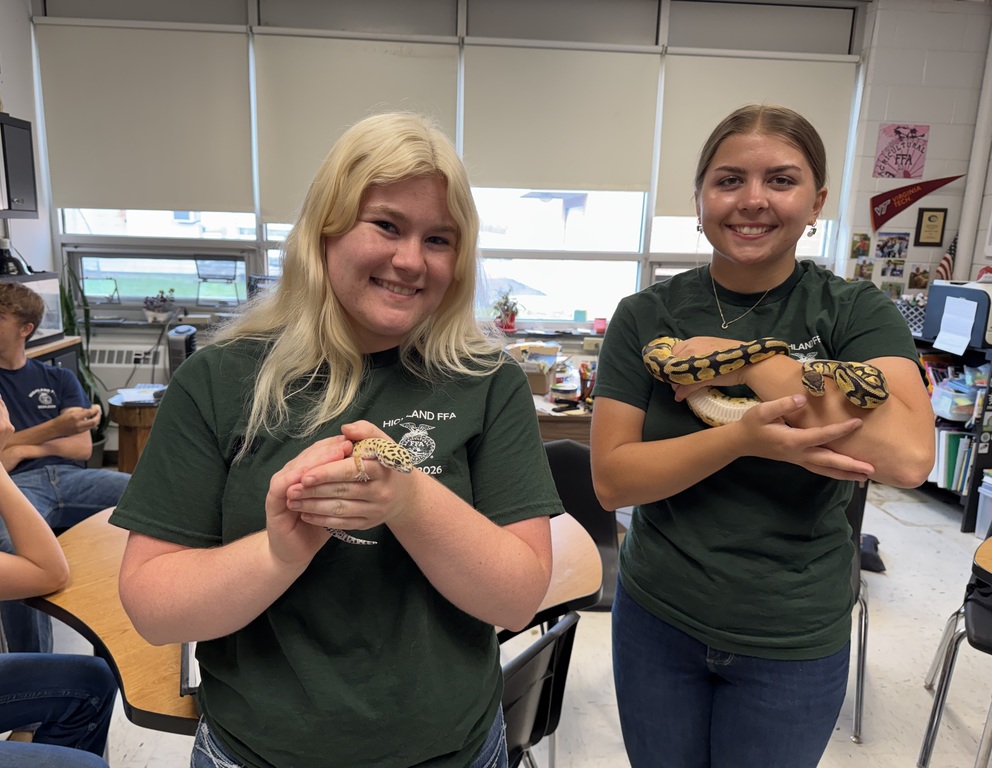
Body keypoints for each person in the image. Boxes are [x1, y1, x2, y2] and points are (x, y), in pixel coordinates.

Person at [111, 112, 561, 768]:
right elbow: (154, 608)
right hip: (256, 754)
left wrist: (406, 500)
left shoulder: (485, 382)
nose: (411, 260)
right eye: (386, 225)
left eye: (439, 238)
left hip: (452, 753)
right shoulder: (219, 379)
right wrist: (278, 552)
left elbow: (518, 596)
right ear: (324, 228)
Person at [590, 104, 935, 768]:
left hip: (793, 634)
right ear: (700, 199)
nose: (752, 201)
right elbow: (613, 480)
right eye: (728, 181)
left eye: (780, 180)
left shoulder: (854, 311)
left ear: (817, 202)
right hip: (658, 617)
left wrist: (740, 357)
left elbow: (908, 454)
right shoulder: (645, 317)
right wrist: (741, 438)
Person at [0, 281, 131, 653]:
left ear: (25, 329)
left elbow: (79, 447)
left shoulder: (58, 378)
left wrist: (20, 450)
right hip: (8, 488)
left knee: (149, 499)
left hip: (72, 478)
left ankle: (121, 646)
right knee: (15, 557)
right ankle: (32, 668)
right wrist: (53, 429)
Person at [0, 364, 116, 767]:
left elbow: (48, 572)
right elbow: (41, 570)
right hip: (26, 483)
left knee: (93, 680)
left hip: (61, 477)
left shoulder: (57, 376)